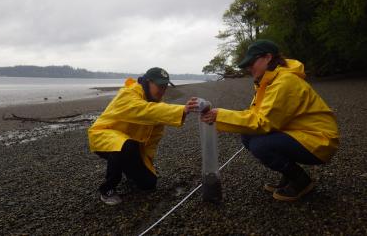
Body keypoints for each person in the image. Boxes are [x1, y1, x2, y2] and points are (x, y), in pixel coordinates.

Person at [201, 40, 339, 202]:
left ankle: (301, 181)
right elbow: (255, 114)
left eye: (252, 62)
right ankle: (289, 177)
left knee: (260, 145)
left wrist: (220, 115)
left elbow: (263, 123)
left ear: (268, 57)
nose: (248, 67)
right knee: (248, 136)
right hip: (300, 132)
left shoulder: (285, 82)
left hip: (320, 139)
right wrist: (220, 118)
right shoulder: (268, 82)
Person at [88, 67, 198, 205]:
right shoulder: (128, 94)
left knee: (148, 184)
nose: (162, 90)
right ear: (147, 82)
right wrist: (182, 110)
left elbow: (152, 142)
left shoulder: (157, 106)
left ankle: (127, 169)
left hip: (130, 144)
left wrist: (146, 164)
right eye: (159, 86)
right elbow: (143, 110)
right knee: (124, 145)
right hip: (103, 136)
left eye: (165, 86)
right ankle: (107, 189)